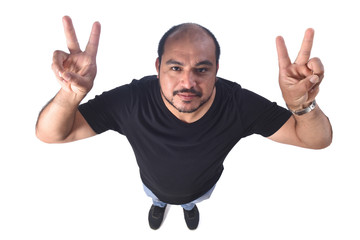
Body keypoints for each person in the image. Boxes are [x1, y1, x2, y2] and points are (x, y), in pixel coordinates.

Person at [36, 16, 333, 230]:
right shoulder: (131, 100)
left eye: (202, 69)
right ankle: (160, 204)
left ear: (217, 70)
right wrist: (69, 95)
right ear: (158, 67)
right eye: (175, 67)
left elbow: (315, 139)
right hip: (151, 184)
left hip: (204, 187)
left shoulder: (239, 104)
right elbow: (51, 134)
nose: (187, 82)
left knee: (193, 199)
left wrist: (301, 105)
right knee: (157, 195)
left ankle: (189, 206)